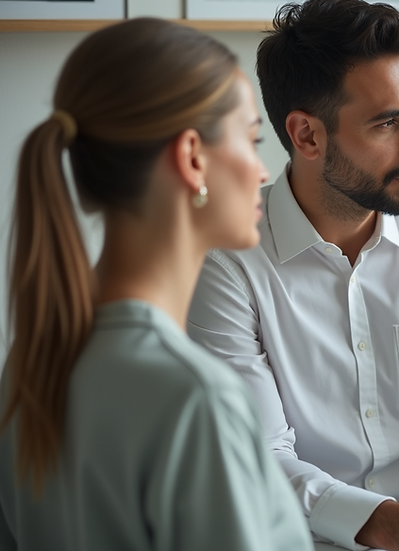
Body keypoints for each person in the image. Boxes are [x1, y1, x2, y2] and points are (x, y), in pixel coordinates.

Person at [186, 1, 399, 550]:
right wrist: (395, 525)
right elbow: (257, 457)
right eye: (388, 122)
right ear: (307, 136)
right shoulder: (226, 265)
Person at [0, 18, 313, 551]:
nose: (263, 169)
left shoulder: (30, 367)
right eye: (252, 138)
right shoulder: (194, 399)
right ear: (193, 158)